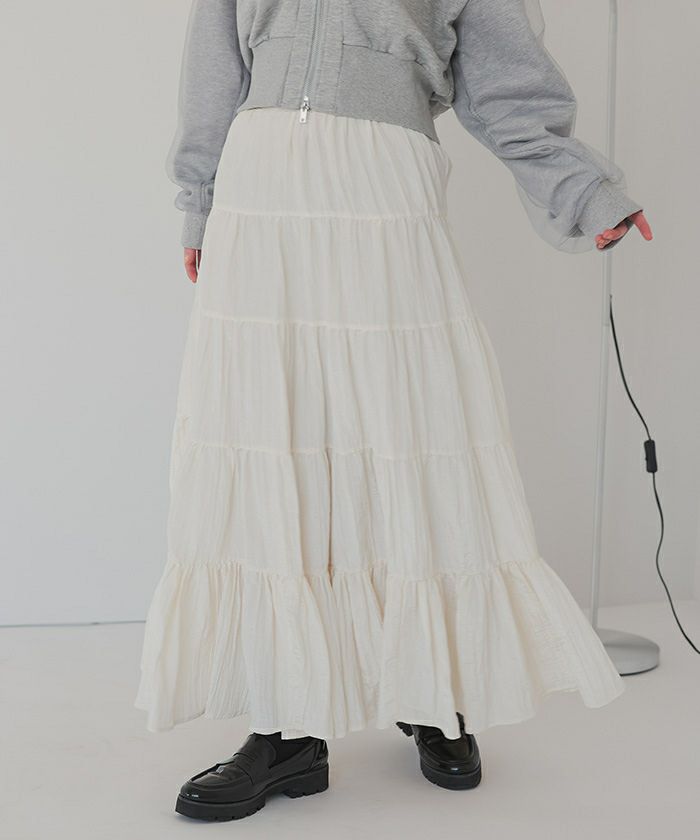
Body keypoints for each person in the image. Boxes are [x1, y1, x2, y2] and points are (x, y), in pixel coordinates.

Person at [134, 0, 653, 822]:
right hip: (260, 189)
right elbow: (214, 66)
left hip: (384, 180)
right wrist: (202, 197)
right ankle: (287, 726)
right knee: (274, 433)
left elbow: (507, 83)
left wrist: (582, 189)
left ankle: (431, 690)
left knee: (412, 428)